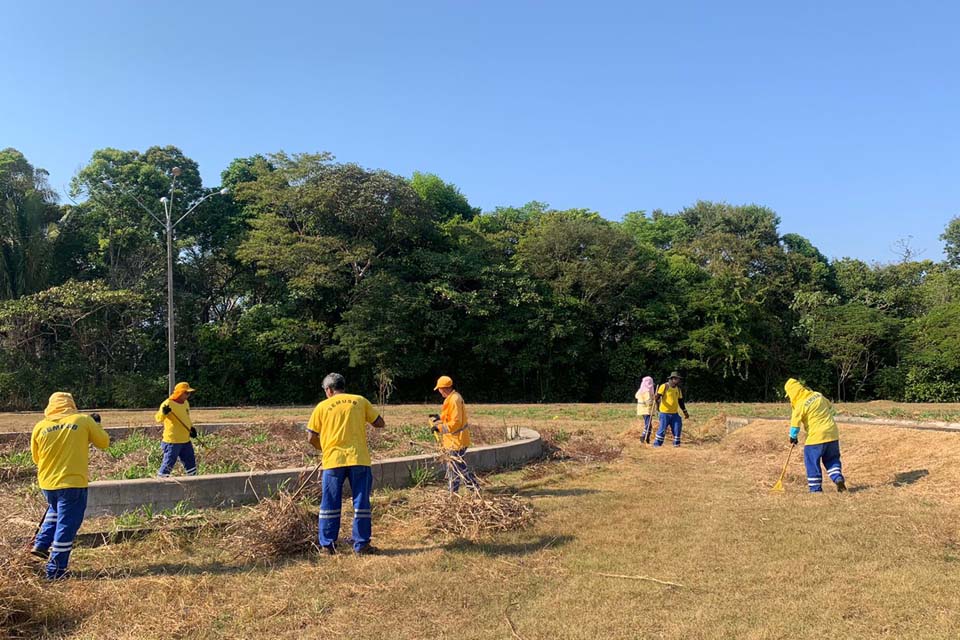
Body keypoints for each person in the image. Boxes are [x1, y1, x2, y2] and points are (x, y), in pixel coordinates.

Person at [30, 392, 110, 579]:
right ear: (71, 405)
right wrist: (97, 424)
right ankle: (56, 571)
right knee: (67, 524)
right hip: (72, 483)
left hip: (47, 483)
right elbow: (104, 442)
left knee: (55, 511)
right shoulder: (82, 421)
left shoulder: (40, 426)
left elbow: (36, 458)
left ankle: (41, 545)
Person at [307, 373, 386, 555]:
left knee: (330, 503)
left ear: (328, 390)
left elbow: (311, 436)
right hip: (359, 459)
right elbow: (380, 423)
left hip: (333, 461)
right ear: (343, 386)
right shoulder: (360, 401)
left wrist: (324, 447)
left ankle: (327, 546)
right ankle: (362, 545)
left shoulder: (323, 406)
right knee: (361, 502)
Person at [784, 378, 847, 493]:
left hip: (816, 437)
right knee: (832, 459)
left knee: (811, 461)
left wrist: (793, 437)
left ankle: (815, 489)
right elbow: (829, 406)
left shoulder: (799, 405)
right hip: (832, 434)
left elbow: (795, 424)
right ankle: (837, 477)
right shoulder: (818, 395)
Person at [430, 375, 478, 493]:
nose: (439, 392)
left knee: (455, 468)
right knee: (457, 467)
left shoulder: (454, 399)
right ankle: (472, 488)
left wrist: (439, 428)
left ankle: (455, 493)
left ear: (445, 388)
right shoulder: (452, 398)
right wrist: (439, 417)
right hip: (453, 440)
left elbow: (456, 422)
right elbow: (450, 416)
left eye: (440, 389)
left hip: (457, 440)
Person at [155, 382, 198, 478]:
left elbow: (186, 417)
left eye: (189, 393)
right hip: (172, 442)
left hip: (185, 440)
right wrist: (164, 412)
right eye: (186, 393)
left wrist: (191, 428)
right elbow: (158, 418)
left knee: (191, 464)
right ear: (179, 393)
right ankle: (160, 484)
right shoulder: (168, 403)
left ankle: (193, 483)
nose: (188, 395)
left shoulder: (186, 403)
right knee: (168, 465)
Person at [653, 372, 689, 447]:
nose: (678, 380)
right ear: (672, 379)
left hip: (674, 413)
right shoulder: (664, 386)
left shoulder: (678, 389)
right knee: (662, 430)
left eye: (679, 379)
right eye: (677, 379)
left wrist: (685, 411)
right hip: (664, 413)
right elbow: (658, 397)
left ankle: (676, 445)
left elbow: (680, 401)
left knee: (677, 428)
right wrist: (656, 399)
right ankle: (657, 445)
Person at [635, 376, 656, 443]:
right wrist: (654, 399)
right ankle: (644, 436)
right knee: (648, 425)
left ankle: (647, 438)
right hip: (646, 410)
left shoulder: (641, 390)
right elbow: (648, 402)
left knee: (648, 424)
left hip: (642, 410)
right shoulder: (647, 392)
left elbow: (636, 396)